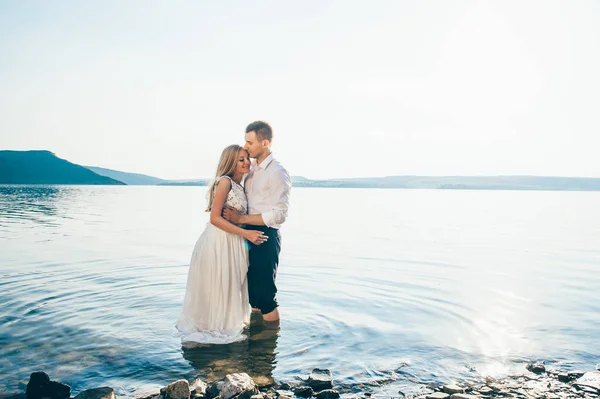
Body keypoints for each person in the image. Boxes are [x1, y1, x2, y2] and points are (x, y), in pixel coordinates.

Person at [176, 144, 268, 344]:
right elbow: (215, 219)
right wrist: (247, 233)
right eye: (240, 159)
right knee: (221, 283)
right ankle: (215, 327)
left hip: (234, 242)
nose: (246, 163)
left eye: (246, 158)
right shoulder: (225, 182)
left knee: (232, 283)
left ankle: (226, 323)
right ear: (230, 163)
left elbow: (235, 216)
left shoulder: (240, 185)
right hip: (219, 241)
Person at [223, 121, 291, 322]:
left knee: (265, 296)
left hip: (264, 235)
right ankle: (255, 340)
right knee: (251, 292)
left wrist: (240, 218)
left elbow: (280, 214)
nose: (245, 146)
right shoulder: (250, 168)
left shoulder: (276, 172)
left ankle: (268, 348)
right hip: (245, 234)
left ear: (265, 143)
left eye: (249, 142)